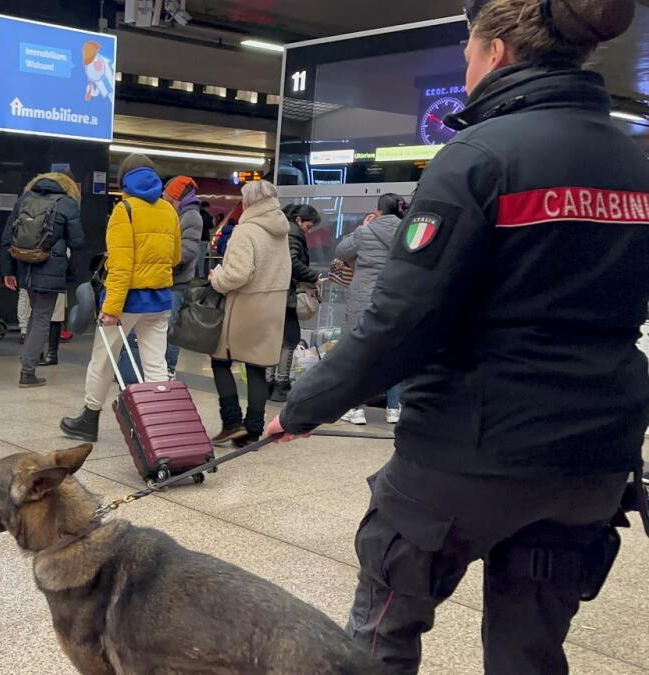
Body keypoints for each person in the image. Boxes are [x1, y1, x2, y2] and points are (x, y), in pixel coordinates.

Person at [267, 1, 649, 672]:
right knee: (530, 651)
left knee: (382, 630)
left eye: (467, 53)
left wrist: (304, 405)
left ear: (495, 52)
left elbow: (401, 322)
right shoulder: (634, 163)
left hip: (466, 453)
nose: (466, 67)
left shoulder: (477, 156)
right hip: (592, 457)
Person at [60, 154, 180, 442]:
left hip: (126, 302)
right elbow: (175, 257)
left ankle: (89, 419)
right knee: (155, 364)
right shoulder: (168, 210)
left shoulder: (124, 210)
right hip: (160, 299)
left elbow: (121, 265)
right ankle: (160, 427)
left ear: (123, 180)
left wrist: (111, 308)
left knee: (103, 360)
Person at [208, 181, 290, 446]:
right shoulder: (281, 229)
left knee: (221, 361)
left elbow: (238, 274)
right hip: (272, 307)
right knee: (256, 368)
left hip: (246, 307)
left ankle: (232, 423)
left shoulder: (247, 230)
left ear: (249, 201)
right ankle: (252, 430)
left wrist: (217, 277)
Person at [1, 171, 84, 387]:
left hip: (24, 265)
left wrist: (8, 271)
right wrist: (72, 273)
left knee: (34, 314)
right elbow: (77, 241)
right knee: (41, 318)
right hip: (51, 267)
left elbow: (7, 237)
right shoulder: (67, 204)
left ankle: (28, 357)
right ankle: (28, 371)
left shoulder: (24, 200)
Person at [116, 175, 202, 382]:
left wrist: (159, 256)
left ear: (177, 196)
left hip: (176, 282)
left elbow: (187, 252)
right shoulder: (175, 213)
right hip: (166, 279)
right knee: (158, 330)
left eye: (168, 193)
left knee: (168, 331)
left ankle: (168, 370)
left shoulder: (191, 217)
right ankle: (149, 371)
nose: (163, 196)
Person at [335, 194, 408, 426]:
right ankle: (394, 408)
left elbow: (342, 251)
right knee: (392, 353)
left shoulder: (366, 232)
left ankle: (356, 409)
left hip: (363, 297)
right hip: (395, 296)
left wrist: (361, 227)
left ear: (378, 211)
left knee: (358, 353)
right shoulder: (408, 231)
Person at [269, 203, 321, 402]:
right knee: (290, 339)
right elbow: (292, 262)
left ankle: (268, 382)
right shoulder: (293, 234)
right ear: (299, 220)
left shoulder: (282, 229)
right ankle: (281, 384)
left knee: (274, 337)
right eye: (308, 226)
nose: (308, 231)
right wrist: (312, 277)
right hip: (285, 294)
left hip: (274, 292)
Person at [197, 200, 215, 277]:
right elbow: (211, 225)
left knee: (198, 256)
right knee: (201, 257)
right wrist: (211, 219)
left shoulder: (197, 214)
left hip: (197, 237)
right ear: (206, 207)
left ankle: (199, 274)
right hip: (203, 237)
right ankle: (200, 275)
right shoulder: (205, 215)